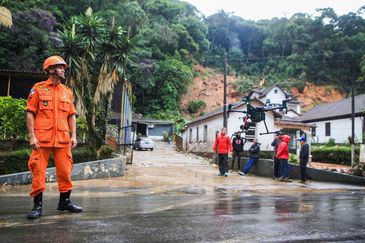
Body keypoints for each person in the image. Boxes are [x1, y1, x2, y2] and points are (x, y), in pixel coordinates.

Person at [26, 56, 82, 219]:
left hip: (63, 139)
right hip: (41, 139)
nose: (63, 69)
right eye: (59, 67)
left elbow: (72, 115)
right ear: (50, 70)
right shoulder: (38, 89)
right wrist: (32, 136)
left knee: (65, 171)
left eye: (63, 67)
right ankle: (38, 206)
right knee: (38, 171)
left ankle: (64, 202)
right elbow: (30, 113)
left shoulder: (67, 92)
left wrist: (74, 135)